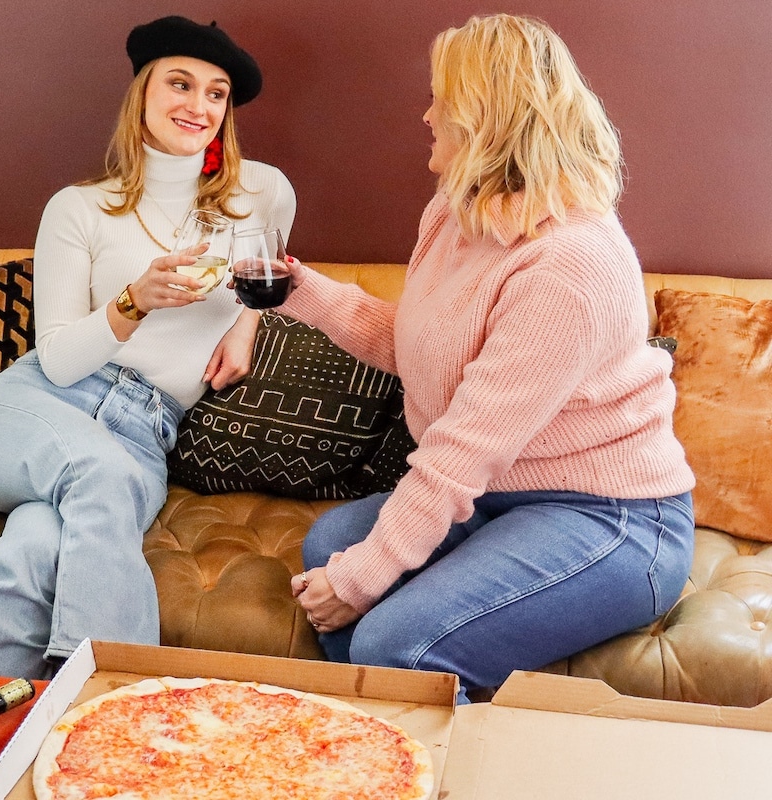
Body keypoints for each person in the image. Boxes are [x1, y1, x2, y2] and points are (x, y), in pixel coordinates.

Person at [276, 14, 695, 697]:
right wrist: (304, 292)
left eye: (441, 100)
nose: (426, 115)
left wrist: (358, 583)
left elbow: (463, 450)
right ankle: (390, 727)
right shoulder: (455, 214)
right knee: (331, 545)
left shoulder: (570, 262)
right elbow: (425, 350)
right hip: (501, 496)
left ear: (484, 119)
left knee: (393, 643)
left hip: (610, 517)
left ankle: (422, 727)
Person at [0, 15, 296, 679]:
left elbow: (269, 266)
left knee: (33, 548)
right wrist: (134, 301)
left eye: (216, 93)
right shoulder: (78, 209)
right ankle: (111, 702)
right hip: (35, 407)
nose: (199, 106)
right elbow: (58, 360)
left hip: (145, 434)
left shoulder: (263, 193)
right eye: (180, 84)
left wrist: (247, 324)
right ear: (143, 92)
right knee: (98, 477)